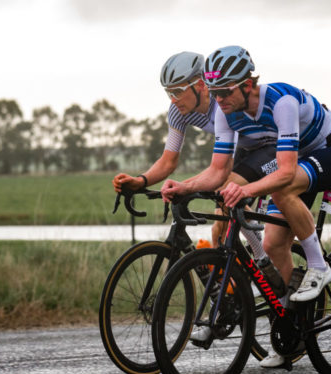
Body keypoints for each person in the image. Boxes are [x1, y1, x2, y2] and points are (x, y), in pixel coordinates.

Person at [160, 45, 331, 367]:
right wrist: (184, 186)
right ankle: (293, 327)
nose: (219, 100)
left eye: (225, 91)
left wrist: (246, 189)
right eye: (214, 92)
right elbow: (219, 171)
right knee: (273, 244)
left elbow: (286, 172)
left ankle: (320, 268)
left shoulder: (282, 103)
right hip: (301, 159)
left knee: (282, 189)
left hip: (330, 148)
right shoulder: (225, 111)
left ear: (248, 84)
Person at [112, 51, 276, 255]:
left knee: (224, 191)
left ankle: (263, 260)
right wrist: (141, 181)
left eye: (178, 91)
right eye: (168, 93)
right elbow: (168, 161)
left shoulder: (224, 104)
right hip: (246, 149)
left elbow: (219, 170)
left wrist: (185, 187)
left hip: (272, 147)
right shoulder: (178, 112)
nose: (173, 100)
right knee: (219, 230)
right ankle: (241, 273)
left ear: (200, 85)